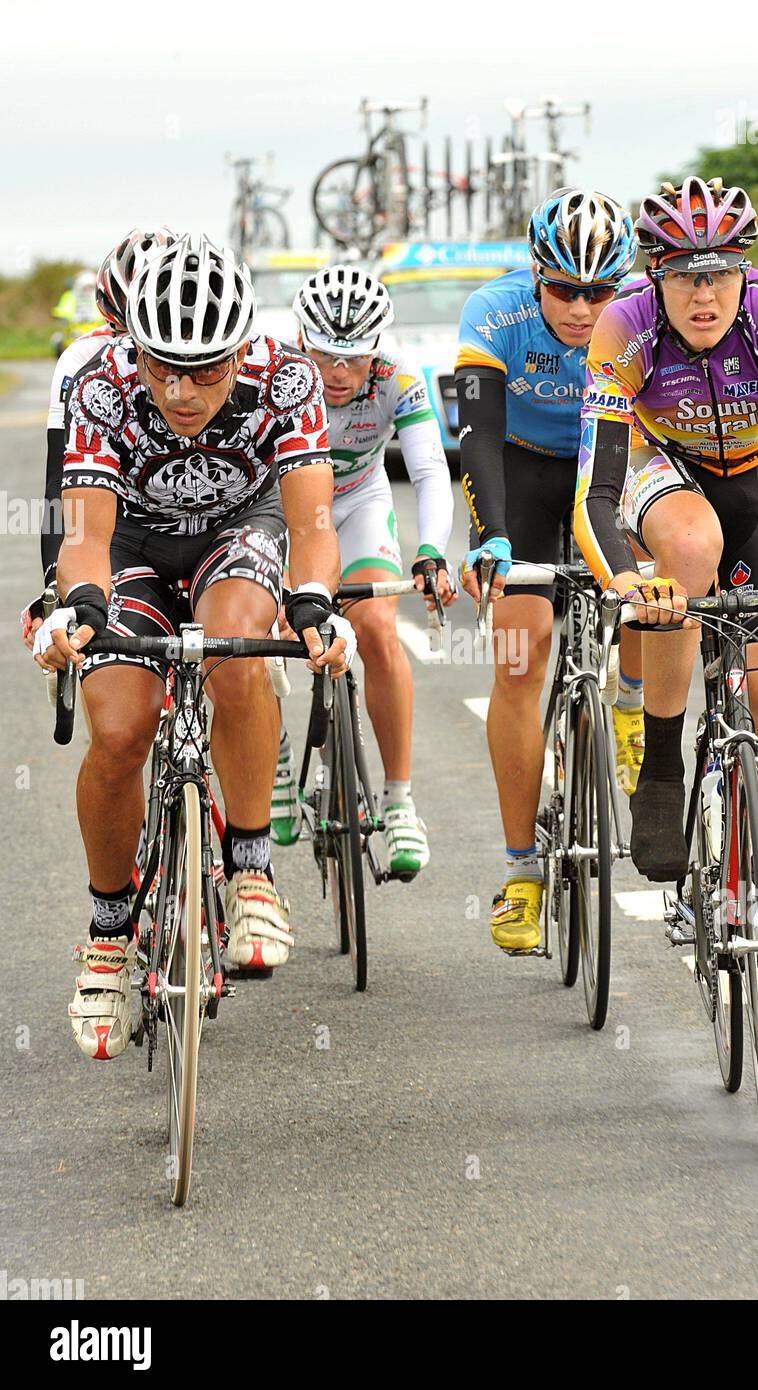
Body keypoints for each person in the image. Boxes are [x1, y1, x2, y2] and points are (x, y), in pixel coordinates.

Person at [32, 232, 355, 1060]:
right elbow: (83, 535)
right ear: (131, 347)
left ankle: (250, 868)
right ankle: (108, 933)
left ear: (242, 350)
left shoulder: (286, 378)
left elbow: (314, 522)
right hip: (130, 543)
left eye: (206, 370)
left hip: (236, 533)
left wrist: (315, 605)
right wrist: (76, 608)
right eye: (161, 367)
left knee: (238, 643)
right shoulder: (101, 381)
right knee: (119, 728)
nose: (180, 391)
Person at [574, 176, 758, 1047]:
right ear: (653, 276)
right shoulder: (623, 328)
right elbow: (600, 481)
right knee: (687, 553)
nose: (704, 294)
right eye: (683, 275)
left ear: (745, 272)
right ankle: (660, 762)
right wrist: (627, 579)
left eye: (720, 272)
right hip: (668, 484)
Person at [455, 188, 639, 954]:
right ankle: (522, 871)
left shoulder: (639, 316)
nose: (580, 308)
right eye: (563, 289)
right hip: (522, 472)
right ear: (535, 274)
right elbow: (476, 433)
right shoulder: (492, 314)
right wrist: (492, 537)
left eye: (600, 292)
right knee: (519, 654)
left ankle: (628, 704)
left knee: (650, 594)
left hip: (614, 464)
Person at [272, 266, 455, 877]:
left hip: (357, 501)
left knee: (376, 626)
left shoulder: (398, 378)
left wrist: (430, 550)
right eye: (325, 356)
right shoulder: (272, 371)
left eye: (354, 358)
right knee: (267, 629)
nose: (340, 374)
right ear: (303, 339)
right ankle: (274, 760)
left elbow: (430, 470)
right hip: (280, 507)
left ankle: (400, 801)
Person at [22, 229, 177, 651]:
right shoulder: (80, 360)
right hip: (117, 521)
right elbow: (61, 478)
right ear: (109, 318)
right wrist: (55, 582)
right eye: (125, 332)